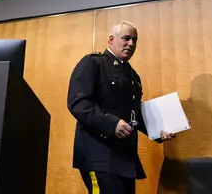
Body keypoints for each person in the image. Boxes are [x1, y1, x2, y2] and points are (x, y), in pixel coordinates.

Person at [67, 20, 175, 194]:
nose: (131, 43)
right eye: (126, 38)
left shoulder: (133, 76)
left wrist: (159, 130)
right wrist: (112, 124)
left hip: (125, 157)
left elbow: (134, 115)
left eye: (134, 40)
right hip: (99, 154)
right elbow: (78, 103)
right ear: (111, 40)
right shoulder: (93, 63)